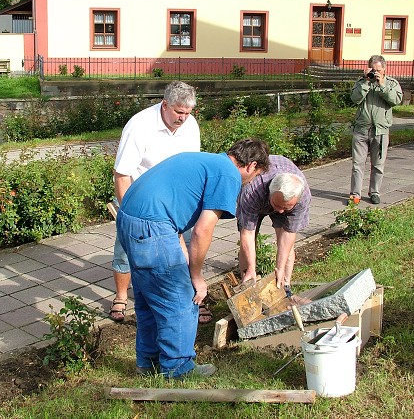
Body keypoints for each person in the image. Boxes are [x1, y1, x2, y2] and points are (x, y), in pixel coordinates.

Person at [116, 138, 270, 378]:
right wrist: (196, 276)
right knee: (181, 298)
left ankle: (148, 363)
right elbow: (202, 230)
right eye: (256, 175)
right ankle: (178, 368)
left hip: (129, 220)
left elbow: (176, 213)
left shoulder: (206, 160)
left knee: (149, 298)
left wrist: (185, 257)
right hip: (152, 227)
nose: (252, 181)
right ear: (251, 165)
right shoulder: (228, 174)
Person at [109, 81, 210, 323]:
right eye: (178, 112)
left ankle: (192, 295)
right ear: (164, 105)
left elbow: (191, 167)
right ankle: (121, 296)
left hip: (176, 200)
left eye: (188, 113)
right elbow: (122, 175)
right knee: (127, 249)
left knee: (186, 248)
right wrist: (128, 215)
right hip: (139, 198)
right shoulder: (139, 126)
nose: (183, 118)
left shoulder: (190, 125)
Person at [236, 155, 311, 290]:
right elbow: (247, 234)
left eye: (286, 207)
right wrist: (252, 268)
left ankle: (284, 286)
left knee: (287, 246)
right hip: (257, 198)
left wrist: (280, 268)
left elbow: (288, 234)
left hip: (280, 197)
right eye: (277, 205)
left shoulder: (302, 197)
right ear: (270, 192)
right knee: (246, 244)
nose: (281, 212)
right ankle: (247, 284)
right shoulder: (252, 191)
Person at [349, 55, 403, 205]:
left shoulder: (391, 83)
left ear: (384, 69)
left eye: (379, 70)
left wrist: (382, 85)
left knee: (378, 164)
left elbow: (396, 100)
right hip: (361, 129)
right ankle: (355, 194)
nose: (376, 72)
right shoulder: (362, 82)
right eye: (373, 69)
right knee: (357, 164)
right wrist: (366, 82)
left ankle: (374, 192)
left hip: (380, 130)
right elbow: (355, 99)